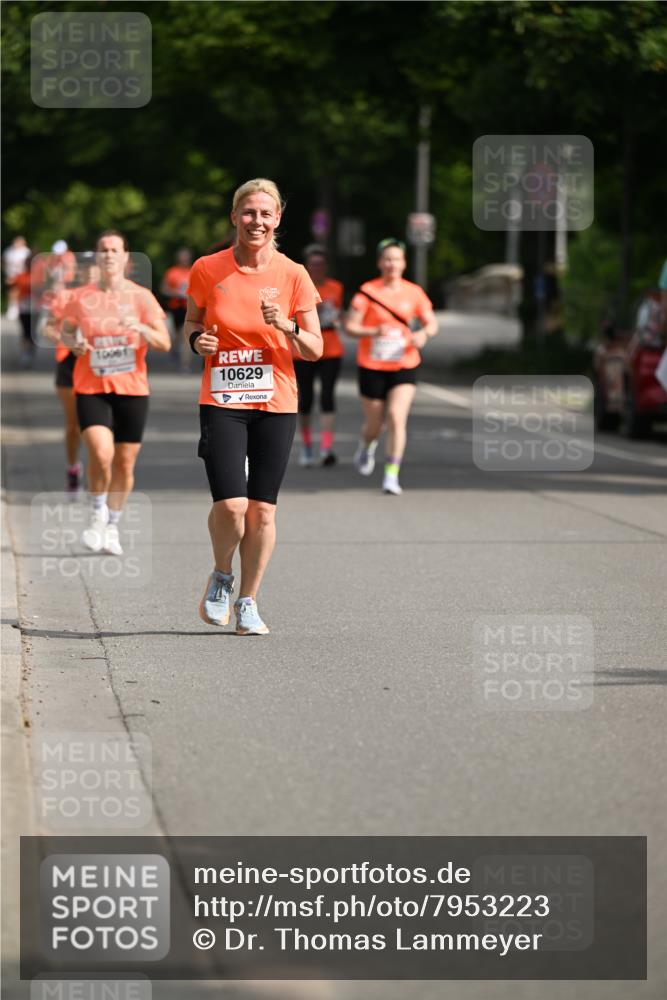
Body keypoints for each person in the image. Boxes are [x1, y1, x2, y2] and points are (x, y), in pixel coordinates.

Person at [185, 178, 322, 635]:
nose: (256, 221)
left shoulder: (294, 274)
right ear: (234, 217)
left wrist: (286, 326)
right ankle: (221, 576)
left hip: (276, 400)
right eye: (248, 213)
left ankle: (249, 600)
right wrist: (196, 341)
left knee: (262, 510)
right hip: (222, 398)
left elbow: (315, 348)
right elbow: (191, 320)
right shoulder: (207, 269)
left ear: (278, 219)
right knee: (231, 505)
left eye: (265, 214)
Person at [59, 230, 170, 554]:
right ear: (97, 257)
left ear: (125, 258)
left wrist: (142, 328)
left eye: (114, 250)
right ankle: (96, 514)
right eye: (103, 249)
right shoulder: (81, 297)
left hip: (132, 389)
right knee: (101, 453)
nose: (108, 255)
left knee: (124, 463)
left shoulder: (141, 297)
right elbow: (65, 330)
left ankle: (112, 525)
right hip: (91, 386)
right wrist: (74, 343)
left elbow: (164, 342)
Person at [345, 237, 438, 495]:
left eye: (396, 259)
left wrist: (424, 335)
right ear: (379, 263)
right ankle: (367, 445)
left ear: (404, 263)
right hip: (372, 365)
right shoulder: (367, 291)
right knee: (375, 424)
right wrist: (373, 330)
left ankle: (391, 475)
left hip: (404, 363)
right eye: (387, 259)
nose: (391, 263)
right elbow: (350, 327)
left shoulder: (414, 292)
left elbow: (431, 323)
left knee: (397, 417)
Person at [42, 253, 101, 497]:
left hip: (99, 366)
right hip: (69, 363)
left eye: (93, 270)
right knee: (74, 425)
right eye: (84, 271)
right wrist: (64, 338)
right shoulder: (66, 297)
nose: (88, 274)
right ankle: (73, 467)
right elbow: (48, 327)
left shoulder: (110, 298)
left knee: (97, 426)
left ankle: (96, 475)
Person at [293, 244, 344, 466]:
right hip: (302, 350)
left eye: (321, 264)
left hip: (331, 348)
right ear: (306, 266)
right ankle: (306, 446)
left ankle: (326, 446)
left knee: (327, 398)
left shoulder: (336, 288)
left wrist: (336, 318)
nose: (317, 268)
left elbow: (340, 314)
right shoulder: (297, 287)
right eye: (313, 264)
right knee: (305, 400)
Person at [160, 248, 192, 369]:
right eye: (182, 257)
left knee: (185, 335)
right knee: (176, 336)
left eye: (186, 257)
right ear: (178, 259)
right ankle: (174, 349)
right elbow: (164, 288)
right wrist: (176, 293)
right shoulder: (172, 272)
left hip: (188, 308)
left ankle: (185, 364)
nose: (184, 260)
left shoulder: (193, 271)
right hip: (175, 308)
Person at [10, 254, 35, 367]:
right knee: (25, 331)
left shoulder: (38, 277)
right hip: (24, 308)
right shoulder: (20, 276)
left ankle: (29, 350)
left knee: (31, 332)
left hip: (35, 308)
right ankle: (26, 353)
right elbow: (13, 289)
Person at [3, 235, 30, 320]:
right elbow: (4, 263)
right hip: (10, 275)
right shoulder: (8, 251)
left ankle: (19, 310)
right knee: (11, 293)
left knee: (19, 293)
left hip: (22, 276)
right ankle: (11, 309)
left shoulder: (26, 252)